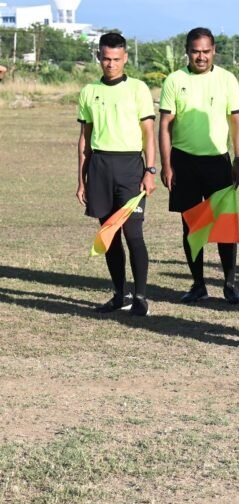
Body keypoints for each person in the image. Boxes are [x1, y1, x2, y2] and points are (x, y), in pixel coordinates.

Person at [159, 27, 239, 305]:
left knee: (224, 226)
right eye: (196, 51)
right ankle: (198, 284)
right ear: (187, 51)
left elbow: (236, 121)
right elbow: (165, 126)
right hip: (183, 161)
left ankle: (230, 284)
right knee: (192, 226)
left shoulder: (227, 80)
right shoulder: (174, 80)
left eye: (206, 51)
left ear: (214, 51)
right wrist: (166, 164)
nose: (201, 56)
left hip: (218, 161)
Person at [76, 32, 156, 316]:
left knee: (133, 233)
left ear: (125, 58)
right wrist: (81, 179)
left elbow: (149, 133)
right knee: (108, 235)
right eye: (106, 59)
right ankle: (119, 294)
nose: (111, 64)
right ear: (99, 57)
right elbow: (84, 138)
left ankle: (141, 297)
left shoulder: (138, 89)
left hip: (131, 169)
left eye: (116, 59)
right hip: (100, 168)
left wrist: (150, 170)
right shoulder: (89, 91)